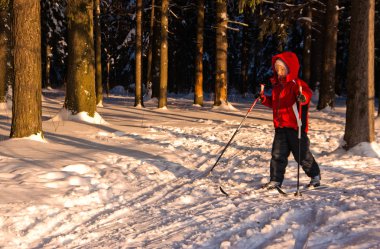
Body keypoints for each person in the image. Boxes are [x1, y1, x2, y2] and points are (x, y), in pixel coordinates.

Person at [258, 51, 321, 190]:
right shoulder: (277, 87)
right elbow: (275, 104)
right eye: (277, 69)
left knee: (302, 155)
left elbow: (306, 94)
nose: (279, 72)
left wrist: (302, 97)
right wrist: (264, 99)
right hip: (280, 127)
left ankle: (315, 176)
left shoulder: (296, 83)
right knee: (277, 155)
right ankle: (275, 180)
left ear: (290, 68)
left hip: (295, 127)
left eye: (282, 69)